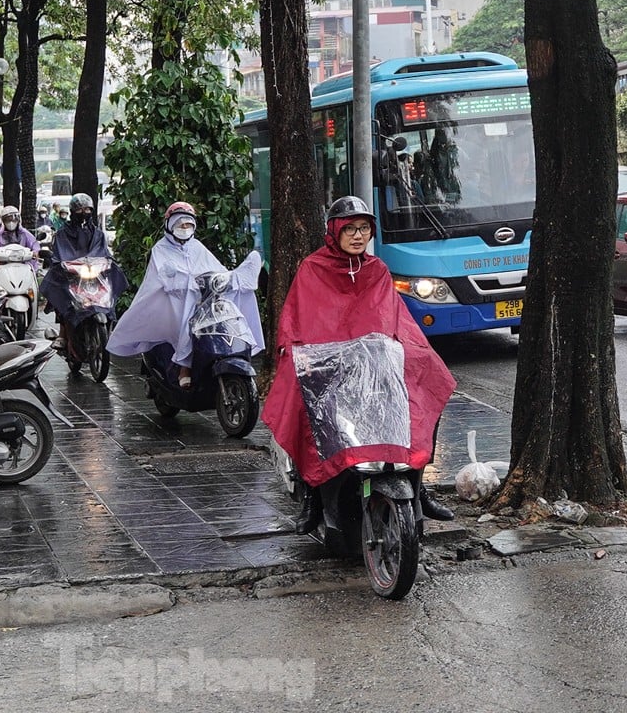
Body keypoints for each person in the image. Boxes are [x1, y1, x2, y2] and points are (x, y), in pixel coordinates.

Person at [261, 195, 457, 534]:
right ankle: (312, 496)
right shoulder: (313, 268)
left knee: (431, 380)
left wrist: (409, 351)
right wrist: (295, 353)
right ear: (335, 230)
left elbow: (394, 319)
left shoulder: (377, 270)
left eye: (363, 228)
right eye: (349, 228)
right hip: (328, 369)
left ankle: (418, 482)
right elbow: (297, 319)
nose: (357, 235)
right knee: (303, 404)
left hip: (373, 366)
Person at [107, 201, 264, 388]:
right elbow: (164, 276)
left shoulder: (197, 247)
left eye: (189, 224)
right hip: (172, 303)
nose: (185, 228)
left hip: (204, 301)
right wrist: (185, 282)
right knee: (187, 315)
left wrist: (229, 279)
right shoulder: (161, 249)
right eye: (180, 224)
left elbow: (217, 270)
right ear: (170, 225)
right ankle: (185, 367)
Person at [40, 193, 128, 350]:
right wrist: (61, 265)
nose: (84, 213)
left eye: (87, 209)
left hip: (94, 275)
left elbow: (104, 253)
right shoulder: (62, 234)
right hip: (71, 276)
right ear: (73, 211)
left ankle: (109, 326)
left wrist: (110, 261)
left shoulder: (98, 234)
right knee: (63, 295)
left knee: (108, 292)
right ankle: (62, 334)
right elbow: (59, 254)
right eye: (80, 209)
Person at [0, 206, 41, 289]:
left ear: (18, 220)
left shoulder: (25, 234)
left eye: (14, 219)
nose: (11, 222)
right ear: (3, 221)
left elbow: (34, 245)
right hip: (3, 267)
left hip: (23, 266)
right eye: (7, 220)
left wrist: (36, 253)